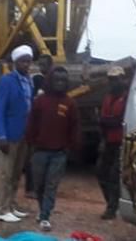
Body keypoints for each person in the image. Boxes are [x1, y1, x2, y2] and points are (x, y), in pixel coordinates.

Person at [26, 66, 80, 232]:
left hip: (59, 153)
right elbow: (31, 124)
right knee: (39, 184)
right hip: (40, 151)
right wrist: (31, 142)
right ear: (50, 81)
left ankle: (45, 216)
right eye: (57, 80)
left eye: (63, 80)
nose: (60, 83)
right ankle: (42, 209)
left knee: (51, 185)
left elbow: (75, 127)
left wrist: (71, 147)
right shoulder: (40, 101)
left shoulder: (70, 103)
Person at [0, 45, 34, 223]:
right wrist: (2, 135)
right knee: (6, 173)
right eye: (23, 61)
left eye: (28, 61)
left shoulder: (28, 81)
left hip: (23, 133)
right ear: (15, 63)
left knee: (17, 173)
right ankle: (1, 209)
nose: (26, 64)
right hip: (9, 135)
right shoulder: (7, 81)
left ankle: (11, 204)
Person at [97, 65, 128, 219]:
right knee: (101, 173)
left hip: (122, 143)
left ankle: (112, 208)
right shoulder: (108, 97)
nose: (113, 82)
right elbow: (104, 121)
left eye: (116, 79)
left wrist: (107, 121)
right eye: (111, 79)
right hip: (109, 141)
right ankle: (112, 203)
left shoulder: (128, 97)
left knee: (114, 176)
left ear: (123, 79)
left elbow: (119, 121)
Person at [24, 53, 54, 199]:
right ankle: (29, 188)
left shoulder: (54, 81)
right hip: (36, 123)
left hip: (49, 125)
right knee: (32, 158)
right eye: (40, 64)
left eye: (45, 65)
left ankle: (42, 188)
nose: (42, 67)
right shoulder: (36, 79)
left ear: (51, 65)